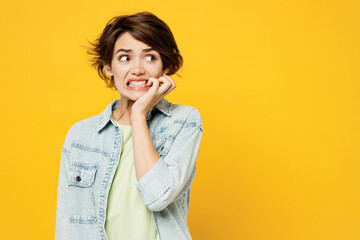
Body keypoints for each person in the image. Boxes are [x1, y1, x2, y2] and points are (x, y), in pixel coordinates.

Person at [55, 12, 203, 240]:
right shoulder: (81, 136)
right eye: (125, 58)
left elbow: (158, 196)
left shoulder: (183, 122)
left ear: (165, 67)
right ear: (108, 66)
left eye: (150, 57)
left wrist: (138, 115)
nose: (137, 69)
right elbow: (68, 226)